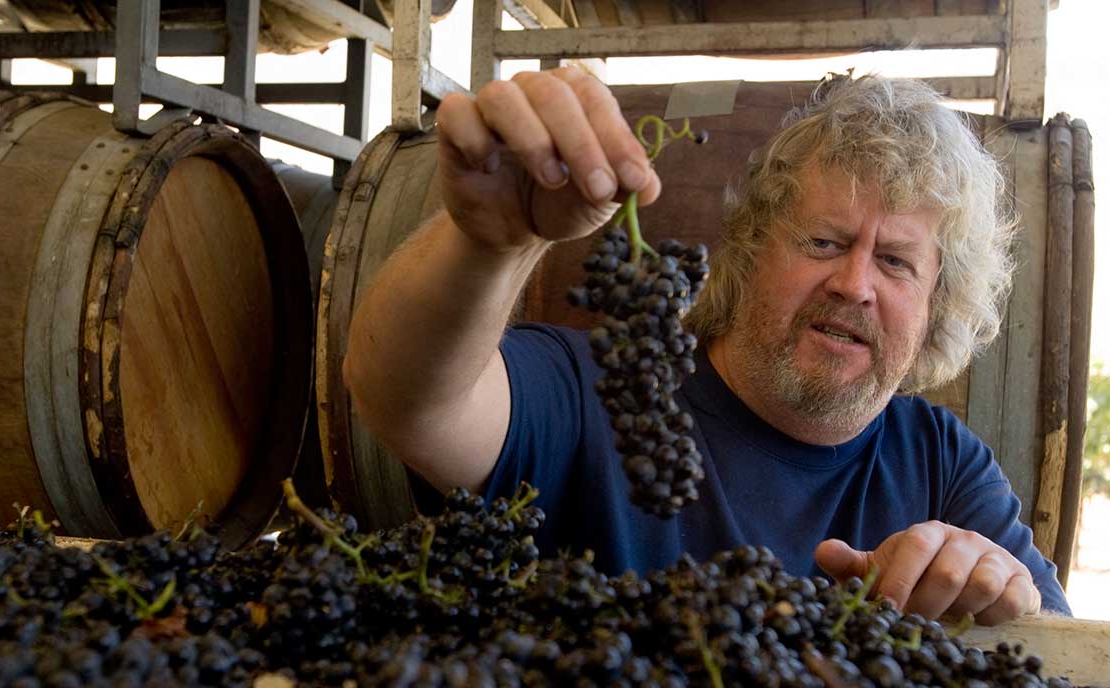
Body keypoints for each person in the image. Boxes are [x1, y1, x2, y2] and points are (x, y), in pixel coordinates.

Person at [341, 68, 1071, 623]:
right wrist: (489, 244)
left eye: (895, 261)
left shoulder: (941, 459)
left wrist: (998, 590)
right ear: (751, 253)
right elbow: (404, 397)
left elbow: (1063, 666)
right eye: (825, 241)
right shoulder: (610, 392)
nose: (854, 284)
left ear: (936, 304)